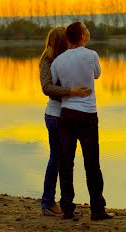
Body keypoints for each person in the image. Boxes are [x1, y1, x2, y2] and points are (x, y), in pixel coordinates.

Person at [51, 21, 112, 221]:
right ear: (83, 37)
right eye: (87, 31)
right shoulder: (91, 55)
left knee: (66, 163)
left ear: (68, 38)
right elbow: (96, 74)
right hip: (87, 114)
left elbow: (55, 84)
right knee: (92, 163)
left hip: (66, 114)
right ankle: (97, 209)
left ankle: (67, 208)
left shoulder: (57, 61)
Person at [39, 26, 91, 216]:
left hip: (68, 115)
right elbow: (47, 88)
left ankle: (64, 204)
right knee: (57, 159)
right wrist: (71, 92)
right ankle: (48, 202)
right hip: (55, 116)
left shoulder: (65, 61)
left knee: (64, 160)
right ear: (62, 41)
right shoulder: (48, 60)